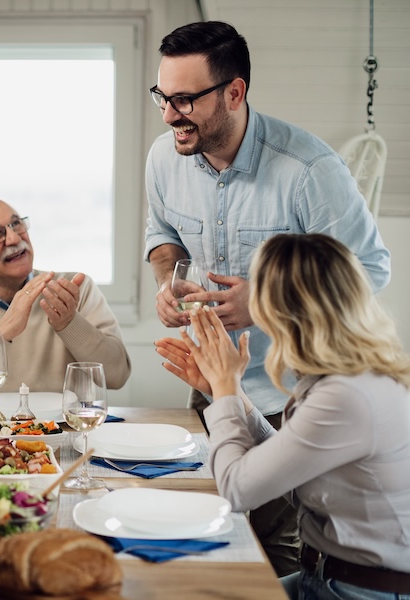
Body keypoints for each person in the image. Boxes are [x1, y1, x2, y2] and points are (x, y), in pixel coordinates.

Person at [142, 21, 391, 575]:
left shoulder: (310, 171)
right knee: (206, 533)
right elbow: (162, 235)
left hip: (295, 398)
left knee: (274, 554)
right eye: (163, 96)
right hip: (212, 382)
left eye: (185, 100)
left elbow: (371, 270)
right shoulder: (164, 157)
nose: (169, 115)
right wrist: (167, 281)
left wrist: (267, 303)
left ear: (234, 92)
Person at [156, 233, 410, 600]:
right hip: (329, 578)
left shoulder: (346, 397)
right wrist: (227, 391)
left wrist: (225, 388)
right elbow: (289, 469)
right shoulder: (346, 377)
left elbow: (236, 490)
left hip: (358, 590)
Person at [0, 195, 131, 400]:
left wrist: (69, 323)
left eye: (16, 224)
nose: (14, 238)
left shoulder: (73, 288)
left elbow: (117, 375)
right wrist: (0, 332)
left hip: (65, 425)